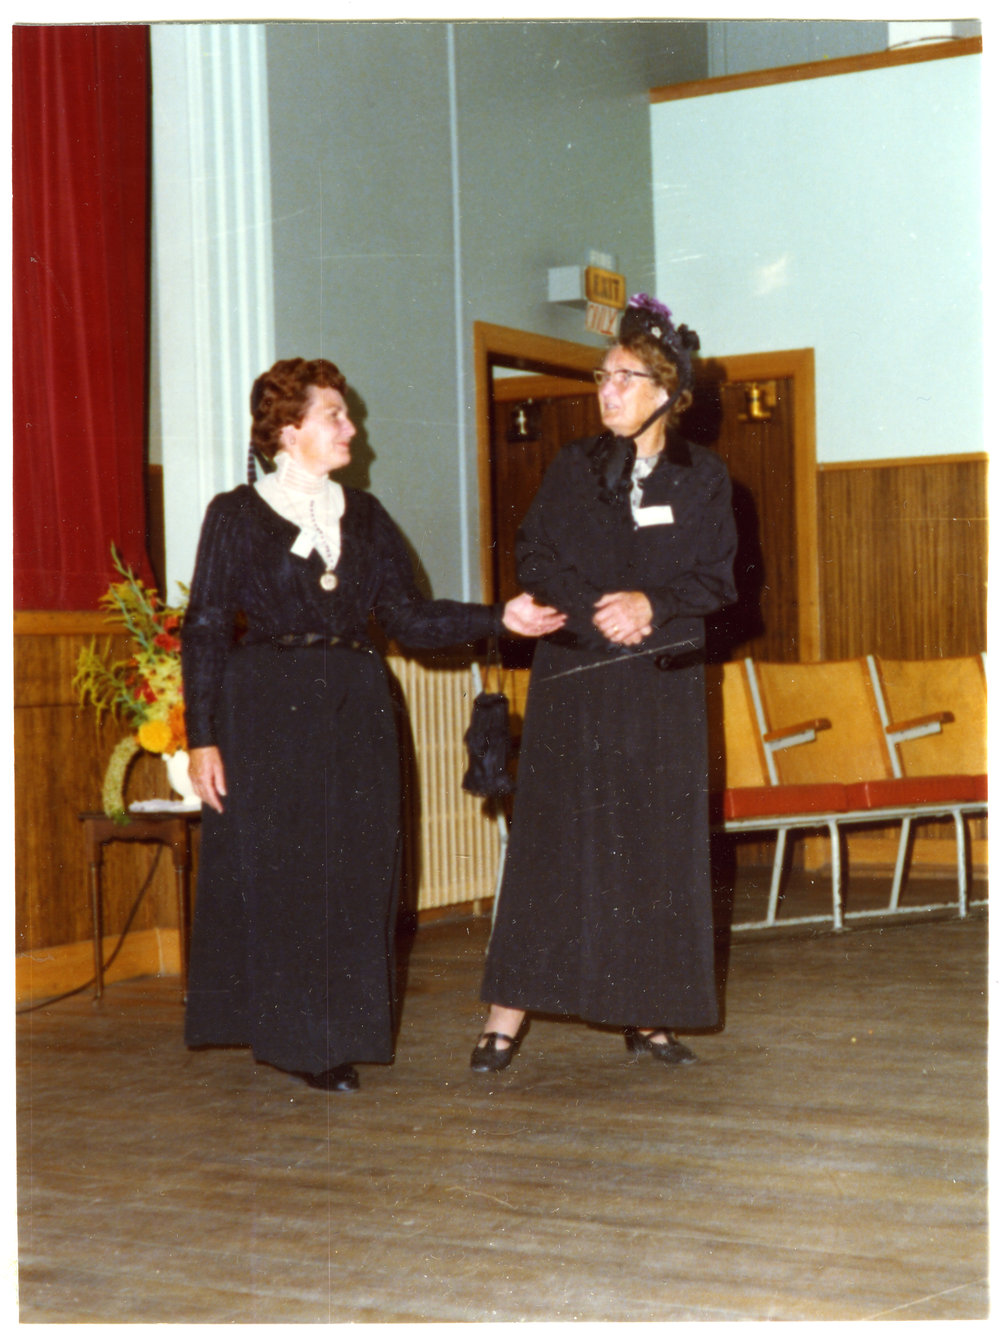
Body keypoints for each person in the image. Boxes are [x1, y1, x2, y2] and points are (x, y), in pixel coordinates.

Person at [181, 356, 564, 1093]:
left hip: (358, 704)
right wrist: (203, 736)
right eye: (335, 414)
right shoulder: (233, 514)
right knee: (290, 874)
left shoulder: (368, 516)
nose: (351, 427)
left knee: (356, 873)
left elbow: (411, 620)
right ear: (289, 430)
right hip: (267, 708)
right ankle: (299, 1042)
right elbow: (202, 628)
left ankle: (341, 1033)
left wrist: (499, 618)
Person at [471, 294, 738, 1073]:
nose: (607, 390)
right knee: (551, 846)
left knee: (655, 849)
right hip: (578, 680)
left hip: (660, 692)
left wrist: (653, 604)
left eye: (625, 377)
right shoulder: (571, 468)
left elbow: (720, 582)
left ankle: (649, 1012)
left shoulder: (707, 480)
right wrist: (600, 613)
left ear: (668, 392)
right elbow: (537, 558)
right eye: (603, 375)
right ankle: (504, 1015)